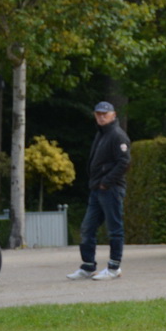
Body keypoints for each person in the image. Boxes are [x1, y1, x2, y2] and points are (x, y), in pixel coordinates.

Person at [68, 101, 130, 281]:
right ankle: (88, 266)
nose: (101, 116)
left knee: (114, 229)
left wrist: (106, 182)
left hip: (111, 189)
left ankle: (113, 267)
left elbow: (124, 162)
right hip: (97, 189)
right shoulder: (101, 134)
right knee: (87, 228)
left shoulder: (117, 135)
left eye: (105, 113)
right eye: (98, 114)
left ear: (113, 114)